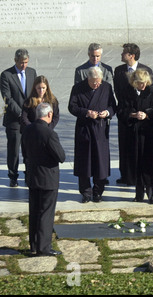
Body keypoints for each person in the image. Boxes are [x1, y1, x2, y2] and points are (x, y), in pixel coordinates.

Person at [22, 103, 65, 256]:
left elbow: (25, 152)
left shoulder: (27, 130)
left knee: (34, 212)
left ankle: (34, 244)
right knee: (46, 214)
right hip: (48, 178)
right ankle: (44, 248)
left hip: (33, 176)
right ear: (49, 115)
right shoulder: (49, 133)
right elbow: (61, 156)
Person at [68, 67, 116, 203]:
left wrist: (107, 113)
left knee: (100, 162)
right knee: (85, 161)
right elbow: (72, 107)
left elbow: (113, 106)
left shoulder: (106, 87)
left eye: (98, 82)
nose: (97, 85)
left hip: (100, 130)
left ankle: (98, 191)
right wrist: (86, 112)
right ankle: (86, 192)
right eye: (94, 82)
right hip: (84, 129)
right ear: (88, 79)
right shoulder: (78, 88)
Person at [119, 69, 153, 204]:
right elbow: (120, 110)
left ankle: (152, 193)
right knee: (136, 163)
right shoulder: (127, 92)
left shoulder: (152, 92)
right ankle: (139, 193)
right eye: (139, 83)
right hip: (134, 134)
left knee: (149, 163)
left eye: (144, 83)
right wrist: (133, 114)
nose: (142, 86)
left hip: (148, 134)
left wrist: (147, 114)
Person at [114, 43, 153, 185]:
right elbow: (118, 92)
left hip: (142, 116)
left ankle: (141, 175)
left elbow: (150, 93)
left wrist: (142, 111)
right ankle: (125, 174)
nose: (121, 55)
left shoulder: (146, 70)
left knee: (141, 147)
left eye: (124, 52)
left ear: (131, 55)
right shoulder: (119, 71)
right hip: (126, 114)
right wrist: (129, 111)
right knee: (124, 145)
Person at [1, 49, 37, 187]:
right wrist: (21, 113)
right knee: (14, 150)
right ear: (15, 60)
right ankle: (13, 176)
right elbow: (7, 98)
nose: (24, 65)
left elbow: (35, 92)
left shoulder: (32, 72)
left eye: (26, 62)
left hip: (29, 119)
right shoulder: (6, 75)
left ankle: (29, 175)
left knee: (29, 149)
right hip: (14, 120)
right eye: (21, 62)